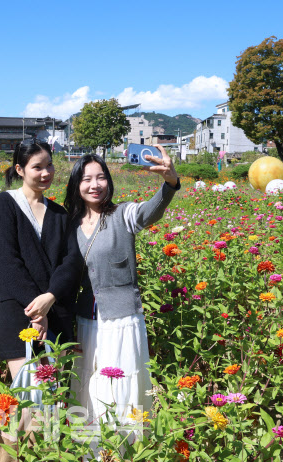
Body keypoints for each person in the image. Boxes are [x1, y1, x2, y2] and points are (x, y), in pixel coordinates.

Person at [64, 146, 180, 452]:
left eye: (101, 177)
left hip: (123, 319)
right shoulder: (70, 225)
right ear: (77, 184)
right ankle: (91, 452)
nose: (95, 184)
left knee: (122, 385)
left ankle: (126, 450)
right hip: (86, 320)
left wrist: (169, 183)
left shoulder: (123, 214)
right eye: (87, 178)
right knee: (88, 385)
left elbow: (151, 210)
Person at [0, 141, 81, 459]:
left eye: (49, 165)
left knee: (51, 401)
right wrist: (35, 308)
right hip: (18, 315)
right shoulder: (4, 204)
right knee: (27, 398)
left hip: (55, 314)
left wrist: (49, 299)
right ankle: (6, 455)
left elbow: (71, 263)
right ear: (20, 170)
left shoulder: (60, 215)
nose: (46, 172)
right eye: (37, 166)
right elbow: (4, 263)